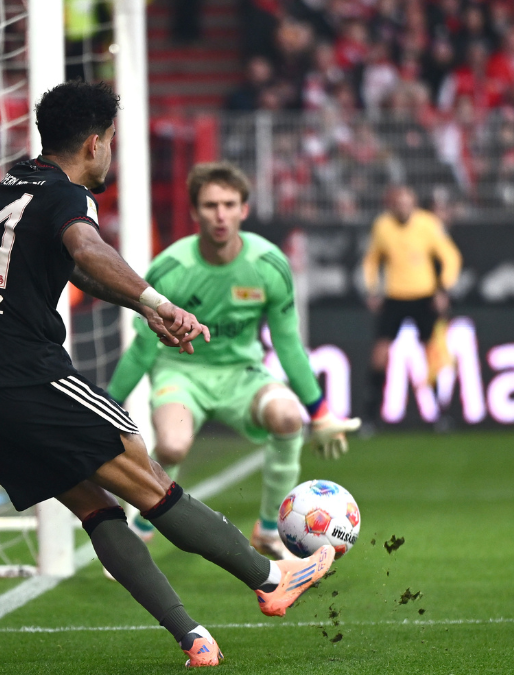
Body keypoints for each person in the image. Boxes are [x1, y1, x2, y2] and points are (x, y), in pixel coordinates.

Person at [0, 81, 335, 668]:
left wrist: (138, 308)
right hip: (22, 371)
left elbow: (77, 268)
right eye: (112, 142)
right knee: (146, 476)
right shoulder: (70, 196)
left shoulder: (14, 184)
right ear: (95, 143)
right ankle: (272, 578)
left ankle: (190, 635)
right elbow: (88, 250)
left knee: (94, 506)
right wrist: (157, 302)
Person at [105, 161, 360, 561]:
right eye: (210, 205)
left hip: (243, 373)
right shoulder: (171, 269)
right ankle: (141, 525)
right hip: (181, 371)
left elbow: (288, 343)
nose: (220, 214)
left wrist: (321, 412)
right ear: (195, 212)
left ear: (244, 208)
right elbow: (142, 350)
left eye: (229, 204)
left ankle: (270, 529)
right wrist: (105, 409)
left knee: (288, 417)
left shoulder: (268, 265)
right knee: (172, 445)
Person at [361, 185, 461, 424]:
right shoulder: (382, 226)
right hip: (394, 297)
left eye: (407, 203)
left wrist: (443, 288)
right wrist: (372, 289)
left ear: (414, 204)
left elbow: (450, 257)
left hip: (424, 297)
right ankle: (370, 416)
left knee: (433, 355)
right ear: (392, 205)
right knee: (380, 355)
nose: (403, 208)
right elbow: (372, 260)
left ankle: (442, 414)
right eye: (399, 204)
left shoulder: (428, 224)